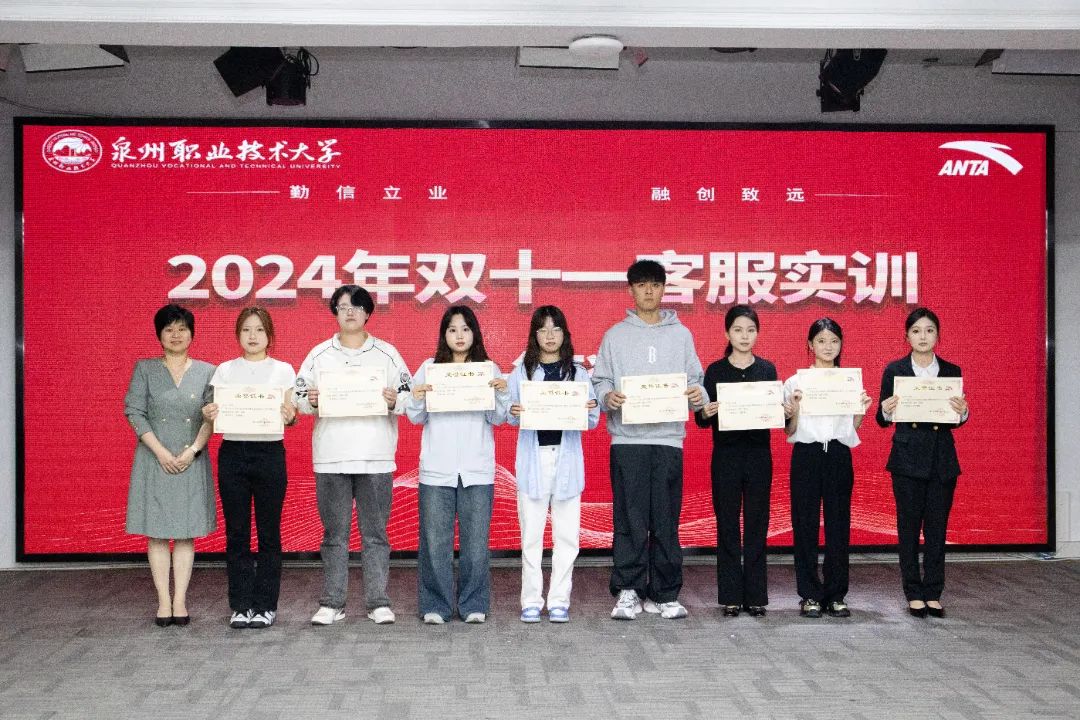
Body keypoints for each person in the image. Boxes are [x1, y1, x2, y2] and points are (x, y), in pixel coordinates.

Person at [592, 259, 706, 621]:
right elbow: (600, 381)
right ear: (631, 290)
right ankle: (628, 589)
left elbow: (696, 381)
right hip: (627, 441)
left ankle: (664, 593)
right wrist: (607, 396)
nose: (648, 291)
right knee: (629, 519)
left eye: (655, 285)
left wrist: (697, 394)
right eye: (641, 285)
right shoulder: (615, 335)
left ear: (663, 289)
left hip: (668, 440)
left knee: (666, 520)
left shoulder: (681, 335)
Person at [295, 285, 412, 626]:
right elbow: (298, 396)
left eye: (357, 306)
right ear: (334, 312)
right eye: (343, 306)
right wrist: (311, 400)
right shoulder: (319, 354)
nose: (349, 312)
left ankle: (378, 602)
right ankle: (333, 602)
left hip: (375, 456)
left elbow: (409, 396)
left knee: (375, 535)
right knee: (334, 535)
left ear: (367, 313)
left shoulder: (387, 354)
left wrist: (394, 400)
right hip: (332, 455)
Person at [407, 305, 510, 624]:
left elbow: (498, 418)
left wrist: (501, 394)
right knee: (434, 543)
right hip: (437, 469)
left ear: (475, 333)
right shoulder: (429, 368)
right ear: (444, 335)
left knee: (476, 544)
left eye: (465, 329)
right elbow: (415, 416)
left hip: (477, 468)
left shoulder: (488, 370)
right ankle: (435, 605)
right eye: (452, 329)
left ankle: (473, 603)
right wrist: (418, 396)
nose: (459, 335)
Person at [202, 307, 297, 629]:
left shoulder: (283, 370)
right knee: (237, 532)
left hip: (269, 453)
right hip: (233, 452)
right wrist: (209, 412)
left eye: (259, 330)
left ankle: (266, 605)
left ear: (269, 335)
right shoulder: (225, 371)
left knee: (269, 532)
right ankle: (241, 605)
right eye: (246, 330)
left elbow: (292, 413)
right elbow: (211, 408)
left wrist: (290, 415)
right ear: (237, 334)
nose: (253, 336)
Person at [695, 304, 791, 617]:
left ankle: (755, 595)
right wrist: (705, 412)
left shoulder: (767, 370)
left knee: (757, 524)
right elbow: (702, 420)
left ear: (757, 333)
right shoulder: (715, 371)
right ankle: (731, 596)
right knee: (727, 525)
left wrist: (785, 411)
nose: (744, 336)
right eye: (738, 330)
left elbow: (775, 415)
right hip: (726, 456)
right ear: (727, 333)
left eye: (750, 330)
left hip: (759, 456)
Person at [507, 306, 600, 623]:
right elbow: (507, 413)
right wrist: (514, 410)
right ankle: (531, 601)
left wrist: (588, 407)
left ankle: (559, 600)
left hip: (566, 459)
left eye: (555, 328)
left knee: (567, 537)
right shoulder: (522, 372)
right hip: (533, 461)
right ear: (534, 335)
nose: (549, 335)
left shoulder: (578, 373)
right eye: (543, 329)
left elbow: (592, 418)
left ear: (565, 334)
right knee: (531, 537)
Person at [125, 303, 215, 627]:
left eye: (182, 329)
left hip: (191, 458)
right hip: (154, 458)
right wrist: (161, 452)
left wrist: (193, 451)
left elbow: (211, 417)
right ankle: (163, 601)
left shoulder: (208, 371)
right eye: (169, 329)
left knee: (187, 533)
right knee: (158, 533)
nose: (176, 335)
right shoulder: (145, 369)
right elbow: (134, 412)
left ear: (192, 334)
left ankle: (181, 602)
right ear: (159, 335)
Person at [876, 307, 969, 618]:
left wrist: (963, 411)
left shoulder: (951, 371)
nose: (923, 336)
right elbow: (881, 419)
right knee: (908, 528)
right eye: (916, 331)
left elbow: (957, 419)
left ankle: (933, 592)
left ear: (938, 336)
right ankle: (913, 592)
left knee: (937, 530)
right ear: (907, 336)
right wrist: (887, 409)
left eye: (929, 330)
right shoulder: (895, 370)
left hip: (941, 459)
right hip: (907, 459)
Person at [783, 318, 872, 619]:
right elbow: (789, 430)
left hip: (837, 454)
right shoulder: (795, 383)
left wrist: (861, 411)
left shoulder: (849, 381)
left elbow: (851, 428)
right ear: (810, 344)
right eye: (821, 341)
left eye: (834, 341)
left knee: (838, 526)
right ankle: (809, 594)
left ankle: (836, 595)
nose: (828, 346)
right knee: (804, 525)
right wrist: (794, 410)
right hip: (806, 455)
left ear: (841, 344)